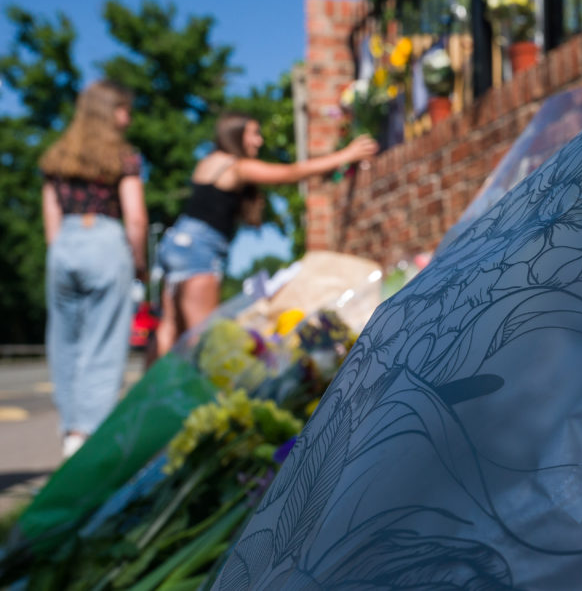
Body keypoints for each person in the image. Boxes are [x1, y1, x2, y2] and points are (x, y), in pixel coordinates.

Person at [154, 111, 378, 357]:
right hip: (200, 247)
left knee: (170, 327)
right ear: (235, 135)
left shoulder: (207, 162)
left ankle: (152, 393)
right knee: (201, 335)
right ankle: (192, 394)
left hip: (176, 240)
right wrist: (347, 155)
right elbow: (291, 173)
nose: (258, 141)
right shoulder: (236, 166)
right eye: (253, 134)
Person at [40, 79, 148, 458]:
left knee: (65, 342)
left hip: (64, 246)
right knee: (103, 344)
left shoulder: (57, 158)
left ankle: (71, 429)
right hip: (104, 240)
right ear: (109, 111)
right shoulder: (123, 157)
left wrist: (61, 253)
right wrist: (140, 264)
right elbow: (135, 218)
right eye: (124, 109)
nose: (129, 118)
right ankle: (87, 440)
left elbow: (51, 217)